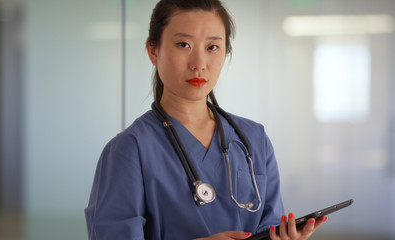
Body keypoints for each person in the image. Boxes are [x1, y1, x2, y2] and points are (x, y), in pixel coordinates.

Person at [85, 0, 326, 239]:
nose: (199, 64)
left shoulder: (254, 139)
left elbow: (268, 224)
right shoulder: (128, 150)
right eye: (183, 44)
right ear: (153, 50)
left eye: (212, 47)